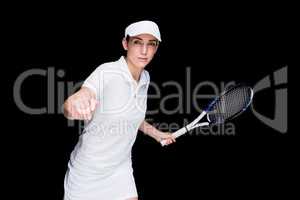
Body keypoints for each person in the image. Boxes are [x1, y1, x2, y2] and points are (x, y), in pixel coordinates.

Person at [63, 20, 175, 200]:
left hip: (120, 169)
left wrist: (156, 134)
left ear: (156, 48)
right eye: (137, 42)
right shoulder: (106, 72)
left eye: (151, 44)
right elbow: (77, 99)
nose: (144, 51)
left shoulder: (145, 77)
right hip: (88, 172)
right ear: (125, 43)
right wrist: (75, 101)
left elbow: (133, 116)